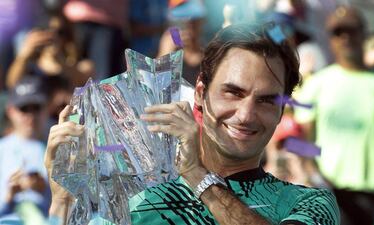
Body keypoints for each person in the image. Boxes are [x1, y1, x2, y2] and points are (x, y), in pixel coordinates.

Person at [45, 23, 339, 225]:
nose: (246, 114)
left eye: (265, 100)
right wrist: (63, 200)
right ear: (200, 93)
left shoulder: (309, 203)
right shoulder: (136, 197)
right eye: (233, 92)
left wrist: (197, 175)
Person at [294, 6, 374, 225]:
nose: (345, 38)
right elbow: (301, 142)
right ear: (330, 39)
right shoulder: (317, 84)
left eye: (351, 31)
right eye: (338, 33)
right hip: (335, 198)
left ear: (363, 33)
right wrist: (315, 175)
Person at [0, 76, 50, 223]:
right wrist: (9, 195)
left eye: (36, 108)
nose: (31, 116)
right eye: (24, 109)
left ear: (46, 109)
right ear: (10, 111)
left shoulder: (57, 150)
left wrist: (45, 190)